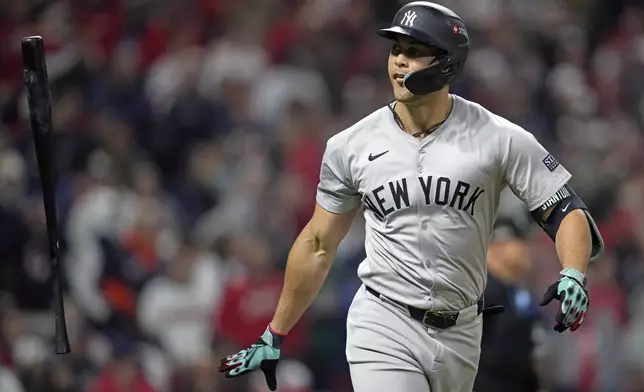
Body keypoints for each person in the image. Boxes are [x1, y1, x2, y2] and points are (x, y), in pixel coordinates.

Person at [218, 2, 605, 392]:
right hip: (383, 320)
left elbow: (565, 208)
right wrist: (276, 331)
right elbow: (318, 243)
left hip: (463, 330)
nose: (399, 62)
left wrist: (574, 271)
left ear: (448, 63)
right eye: (396, 50)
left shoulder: (497, 137)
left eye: (415, 52)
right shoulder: (350, 145)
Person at [474, 196, 544, 392]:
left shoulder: (516, 292)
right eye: (519, 241)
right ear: (499, 247)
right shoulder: (483, 293)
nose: (526, 250)